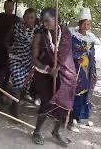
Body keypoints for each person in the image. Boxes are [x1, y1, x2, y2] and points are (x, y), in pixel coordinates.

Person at [31, 8, 77, 147]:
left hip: (64, 73)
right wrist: (48, 68)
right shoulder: (40, 35)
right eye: (43, 21)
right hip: (45, 74)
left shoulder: (66, 33)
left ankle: (56, 132)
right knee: (46, 103)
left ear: (57, 20)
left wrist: (59, 68)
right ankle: (37, 132)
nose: (44, 24)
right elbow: (33, 59)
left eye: (47, 21)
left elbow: (65, 55)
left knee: (64, 104)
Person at [68, 8, 97, 132]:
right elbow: (70, 51)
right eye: (84, 23)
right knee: (75, 92)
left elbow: (93, 55)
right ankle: (71, 118)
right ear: (79, 23)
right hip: (76, 68)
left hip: (87, 70)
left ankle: (80, 116)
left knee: (85, 93)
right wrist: (78, 57)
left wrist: (93, 68)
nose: (86, 26)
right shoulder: (73, 37)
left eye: (89, 24)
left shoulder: (91, 39)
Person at [6, 8, 39, 117]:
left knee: (22, 87)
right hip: (16, 59)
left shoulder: (37, 30)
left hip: (29, 62)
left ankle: (13, 106)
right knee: (17, 87)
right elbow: (6, 40)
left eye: (32, 18)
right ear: (24, 18)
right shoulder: (16, 27)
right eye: (27, 17)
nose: (29, 20)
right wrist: (9, 49)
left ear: (35, 19)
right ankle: (16, 113)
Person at [0, 0, 20, 98]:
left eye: (11, 6)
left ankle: (4, 90)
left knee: (8, 70)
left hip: (11, 49)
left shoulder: (17, 19)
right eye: (7, 6)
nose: (9, 8)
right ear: (4, 7)